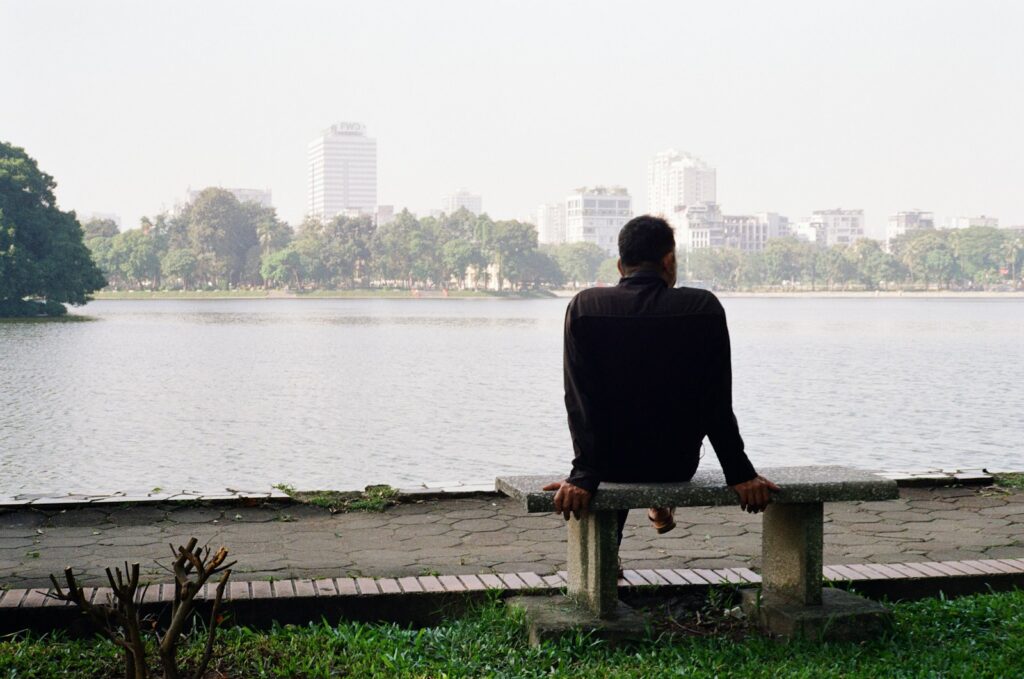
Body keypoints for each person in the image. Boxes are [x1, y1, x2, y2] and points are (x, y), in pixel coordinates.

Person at [542, 215, 779, 544]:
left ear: (620, 265)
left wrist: (582, 475)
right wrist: (740, 474)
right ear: (669, 260)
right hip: (674, 464)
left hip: (608, 466)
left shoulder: (585, 307)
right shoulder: (702, 308)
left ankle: (609, 559)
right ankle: (659, 504)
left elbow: (579, 400)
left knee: (619, 411)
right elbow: (716, 402)